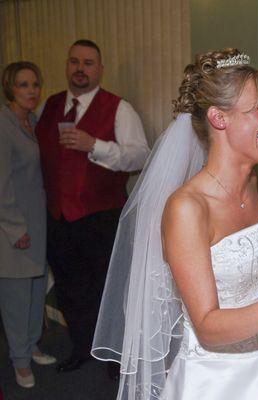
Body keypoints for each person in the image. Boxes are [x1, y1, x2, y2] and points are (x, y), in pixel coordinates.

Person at [92, 48, 258, 400]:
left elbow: (257, 252)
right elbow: (207, 326)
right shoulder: (187, 208)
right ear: (219, 118)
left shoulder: (248, 184)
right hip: (215, 382)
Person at [35, 39, 150, 375]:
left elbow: (140, 155)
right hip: (58, 217)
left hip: (101, 216)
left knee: (107, 289)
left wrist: (95, 145)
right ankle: (82, 347)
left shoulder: (118, 108)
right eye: (74, 62)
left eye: (87, 63)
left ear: (100, 69)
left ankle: (115, 356)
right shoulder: (49, 106)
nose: (80, 68)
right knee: (70, 290)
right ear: (67, 66)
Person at [0, 61, 57, 389]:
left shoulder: (33, 121)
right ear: (10, 87)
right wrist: (15, 228)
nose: (31, 91)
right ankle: (19, 361)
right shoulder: (4, 123)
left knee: (36, 289)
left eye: (35, 84)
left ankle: (30, 344)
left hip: (38, 223)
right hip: (13, 227)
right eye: (23, 85)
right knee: (16, 296)